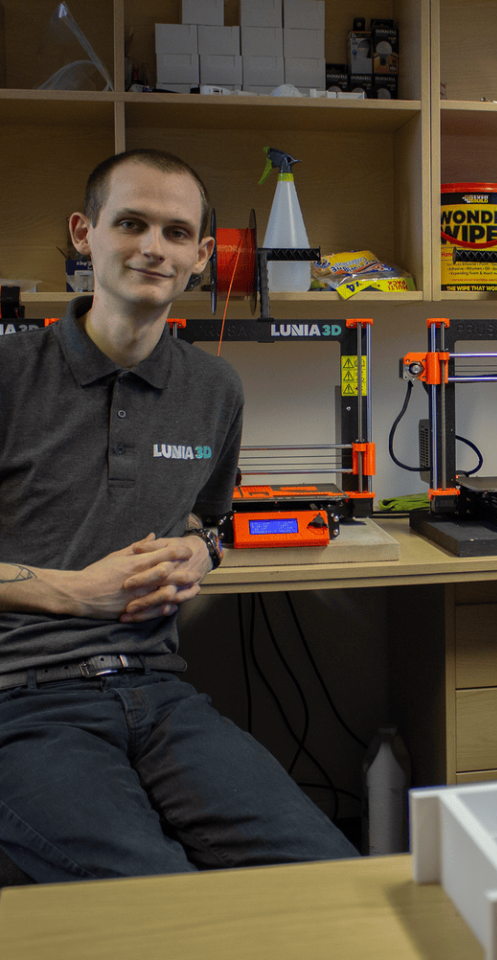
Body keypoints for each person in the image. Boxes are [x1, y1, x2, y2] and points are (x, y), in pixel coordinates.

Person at [0, 149, 356, 882]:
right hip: (21, 699)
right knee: (153, 896)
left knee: (328, 875)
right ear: (84, 232)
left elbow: (206, 520)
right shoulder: (9, 375)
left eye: (174, 232)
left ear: (200, 256)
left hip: (157, 691)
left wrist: (201, 553)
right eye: (130, 223)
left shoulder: (214, 388)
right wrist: (73, 590)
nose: (151, 247)